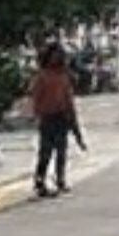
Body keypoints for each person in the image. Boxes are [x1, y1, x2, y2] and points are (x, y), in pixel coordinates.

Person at [27, 43, 78, 197]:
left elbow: (68, 99)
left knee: (61, 151)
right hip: (47, 117)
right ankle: (40, 180)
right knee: (45, 152)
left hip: (61, 117)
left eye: (60, 55)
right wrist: (37, 115)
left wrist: (72, 117)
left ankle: (60, 179)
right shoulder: (42, 76)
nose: (57, 58)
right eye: (54, 55)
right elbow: (36, 97)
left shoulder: (64, 76)